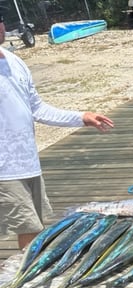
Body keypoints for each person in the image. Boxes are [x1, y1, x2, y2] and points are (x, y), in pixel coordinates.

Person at [0, 13, 114, 250]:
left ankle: (24, 277)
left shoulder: (14, 62)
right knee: (29, 229)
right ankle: (24, 280)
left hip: (29, 164)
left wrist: (81, 117)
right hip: (4, 170)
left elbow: (37, 109)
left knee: (34, 228)